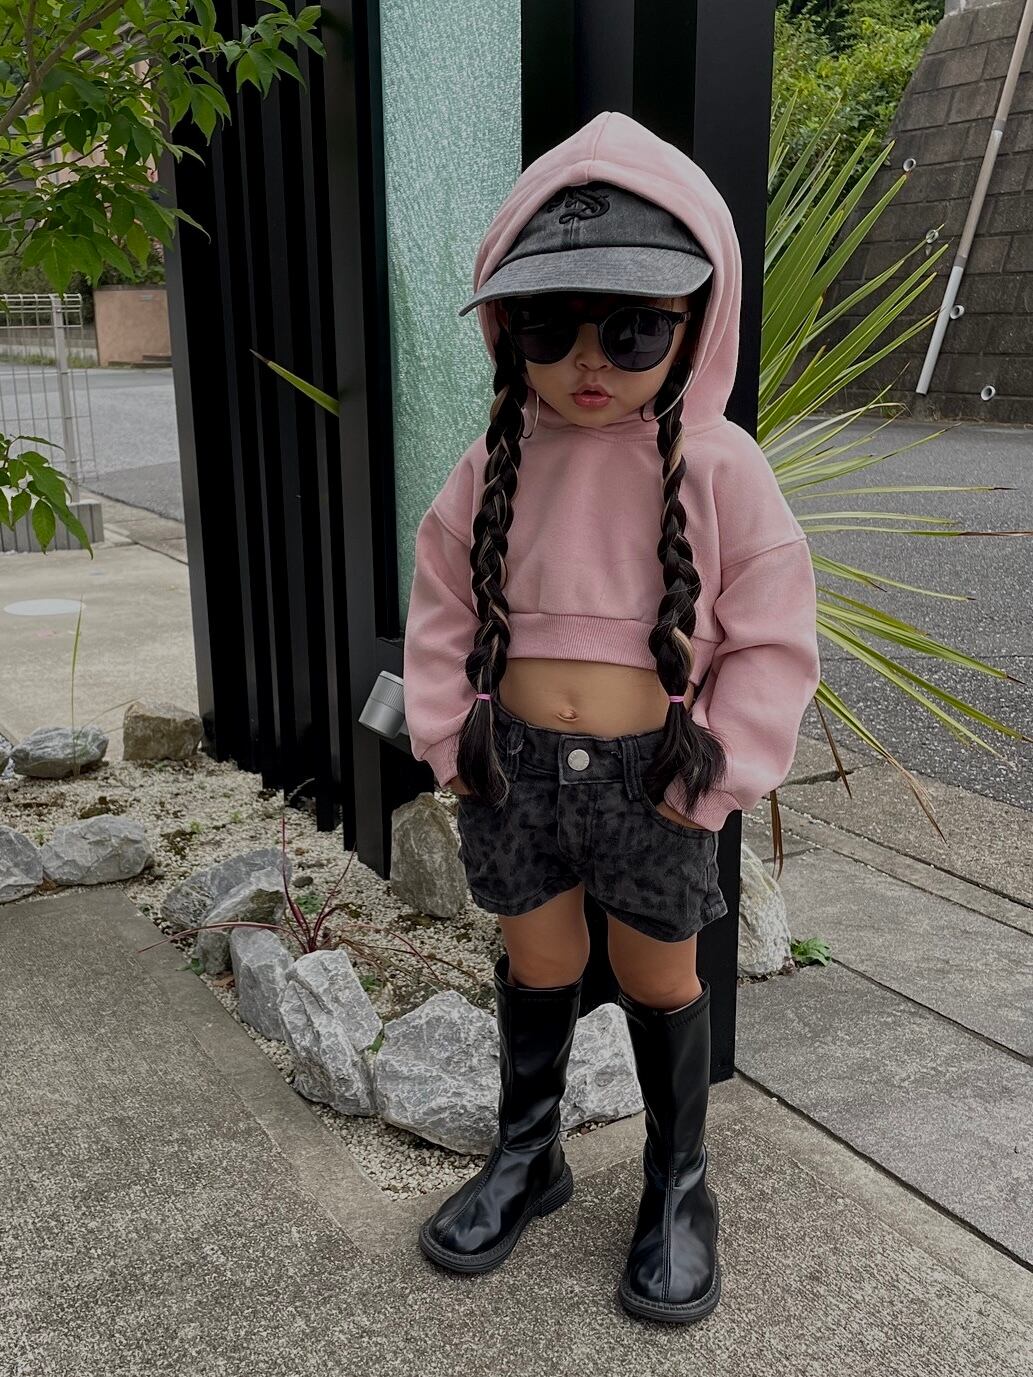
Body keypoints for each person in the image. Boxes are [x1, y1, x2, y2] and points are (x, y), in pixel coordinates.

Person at [401, 110, 821, 1324]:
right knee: (538, 960)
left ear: (694, 322)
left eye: (632, 328)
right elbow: (441, 604)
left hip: (657, 780)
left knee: (656, 973)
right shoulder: (492, 462)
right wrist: (451, 738)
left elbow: (774, 636)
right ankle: (527, 1157)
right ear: (508, 330)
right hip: (515, 772)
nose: (588, 361)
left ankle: (677, 1187)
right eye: (549, 326)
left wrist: (717, 774)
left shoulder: (722, 468)